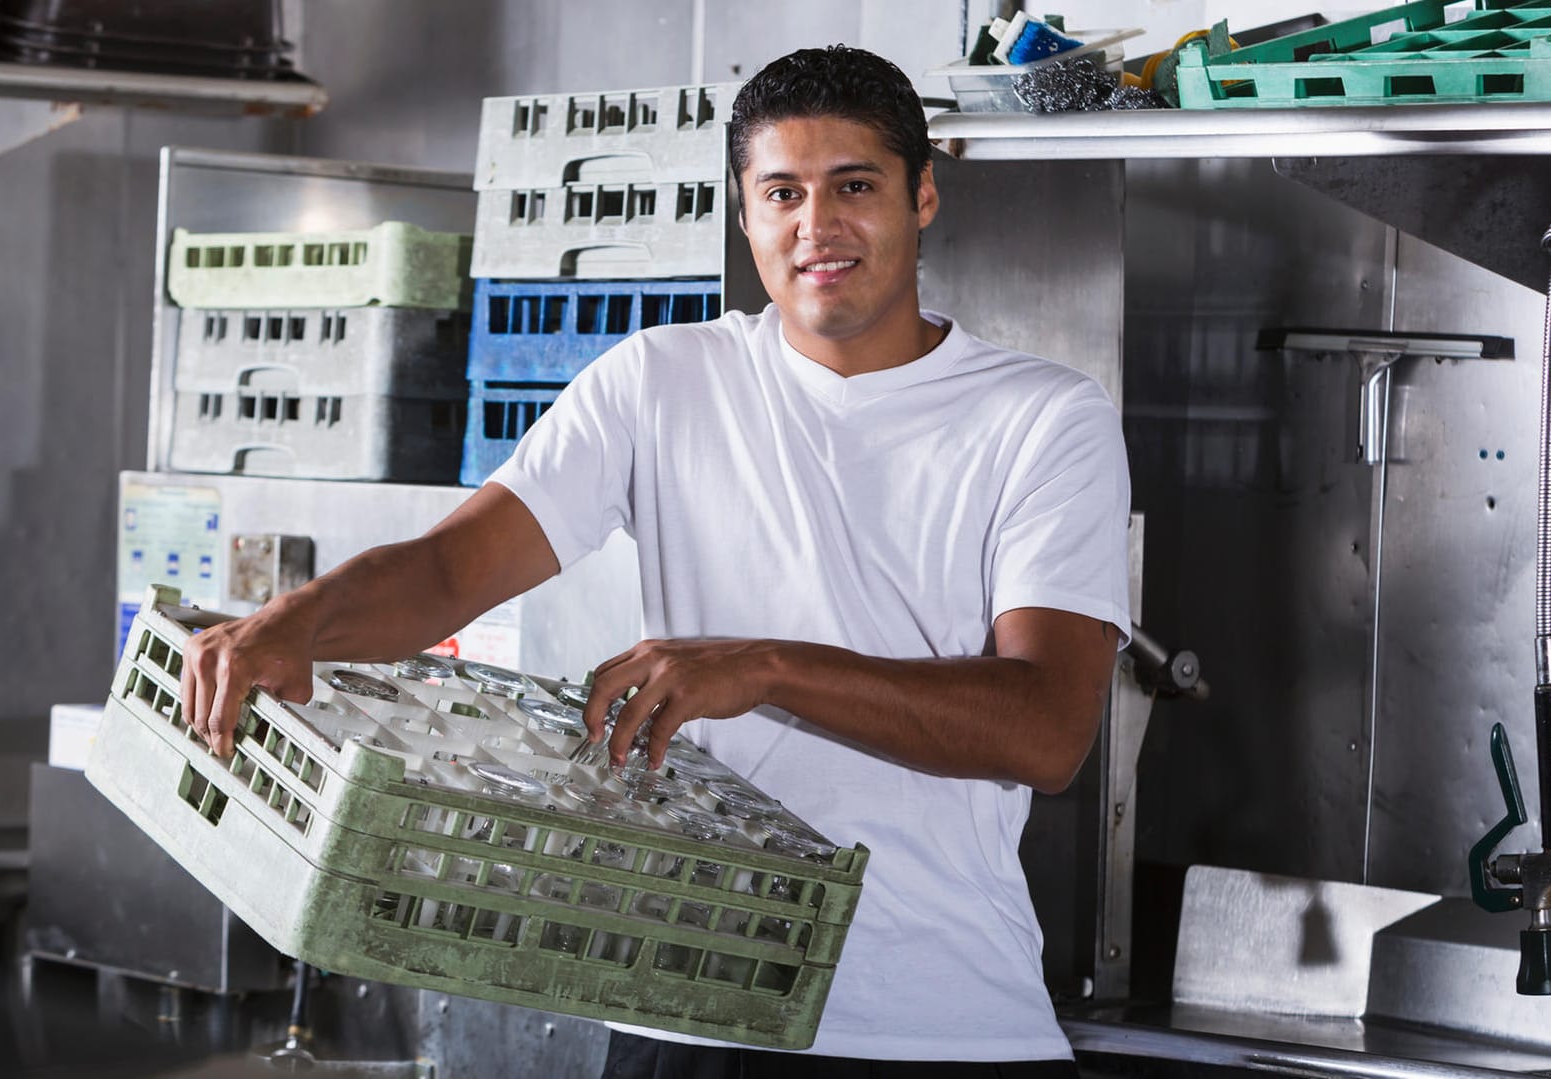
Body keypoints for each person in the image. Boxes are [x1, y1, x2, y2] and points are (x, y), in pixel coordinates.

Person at [181, 44, 1130, 1079]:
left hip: (935, 1025)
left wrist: (764, 666)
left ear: (923, 197)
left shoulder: (1042, 417)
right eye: (782, 192)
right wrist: (296, 620)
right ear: (743, 213)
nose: (816, 226)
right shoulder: (662, 381)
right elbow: (452, 571)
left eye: (853, 186)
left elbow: (1044, 728)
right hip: (687, 1010)